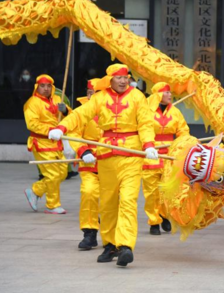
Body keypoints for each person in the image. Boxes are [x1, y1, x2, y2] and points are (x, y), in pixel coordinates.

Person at [48, 64, 156, 267]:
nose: (123, 81)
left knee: (128, 201)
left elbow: (145, 123)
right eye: (118, 78)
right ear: (109, 80)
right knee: (107, 204)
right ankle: (110, 244)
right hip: (106, 156)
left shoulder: (137, 97)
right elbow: (80, 115)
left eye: (125, 77)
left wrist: (149, 144)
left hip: (131, 155)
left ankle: (125, 246)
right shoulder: (99, 98)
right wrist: (61, 127)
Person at [142, 82, 189, 236]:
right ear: (157, 95)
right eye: (166, 92)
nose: (170, 95)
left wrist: (183, 145)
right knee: (151, 192)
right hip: (151, 155)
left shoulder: (175, 112)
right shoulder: (146, 112)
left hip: (169, 155)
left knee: (169, 190)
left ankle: (164, 214)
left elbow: (183, 131)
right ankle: (154, 221)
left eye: (170, 92)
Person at [23, 74, 71, 214]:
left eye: (48, 86)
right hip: (41, 142)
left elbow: (72, 116)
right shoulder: (31, 103)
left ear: (52, 87)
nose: (45, 89)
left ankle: (35, 191)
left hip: (57, 142)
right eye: (42, 86)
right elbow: (32, 124)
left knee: (62, 173)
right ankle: (52, 205)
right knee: (53, 174)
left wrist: (66, 111)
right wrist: (51, 130)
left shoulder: (58, 99)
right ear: (37, 87)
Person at [68, 78, 103, 250]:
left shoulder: (115, 110)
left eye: (97, 93)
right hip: (89, 161)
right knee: (89, 192)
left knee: (113, 200)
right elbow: (74, 133)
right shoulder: (81, 112)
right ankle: (89, 232)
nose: (93, 97)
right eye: (90, 93)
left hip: (112, 162)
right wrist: (83, 151)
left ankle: (115, 238)